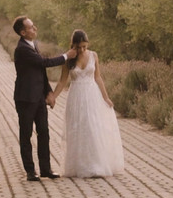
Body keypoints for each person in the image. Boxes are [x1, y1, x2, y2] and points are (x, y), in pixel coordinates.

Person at [52, 30, 124, 178]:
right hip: (76, 96)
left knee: (93, 127)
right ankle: (80, 165)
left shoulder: (93, 55)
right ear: (73, 45)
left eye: (84, 46)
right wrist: (53, 96)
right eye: (79, 47)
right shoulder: (68, 59)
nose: (82, 50)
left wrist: (106, 97)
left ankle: (97, 164)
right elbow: (62, 81)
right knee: (78, 128)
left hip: (92, 95)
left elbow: (98, 77)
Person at [13, 16, 77, 182]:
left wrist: (49, 92)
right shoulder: (22, 49)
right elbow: (44, 62)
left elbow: (40, 71)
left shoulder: (33, 45)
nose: (35, 29)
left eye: (34, 26)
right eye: (31, 27)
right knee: (26, 134)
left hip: (39, 97)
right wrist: (66, 56)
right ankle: (30, 171)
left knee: (44, 132)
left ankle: (45, 168)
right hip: (25, 98)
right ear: (22, 32)